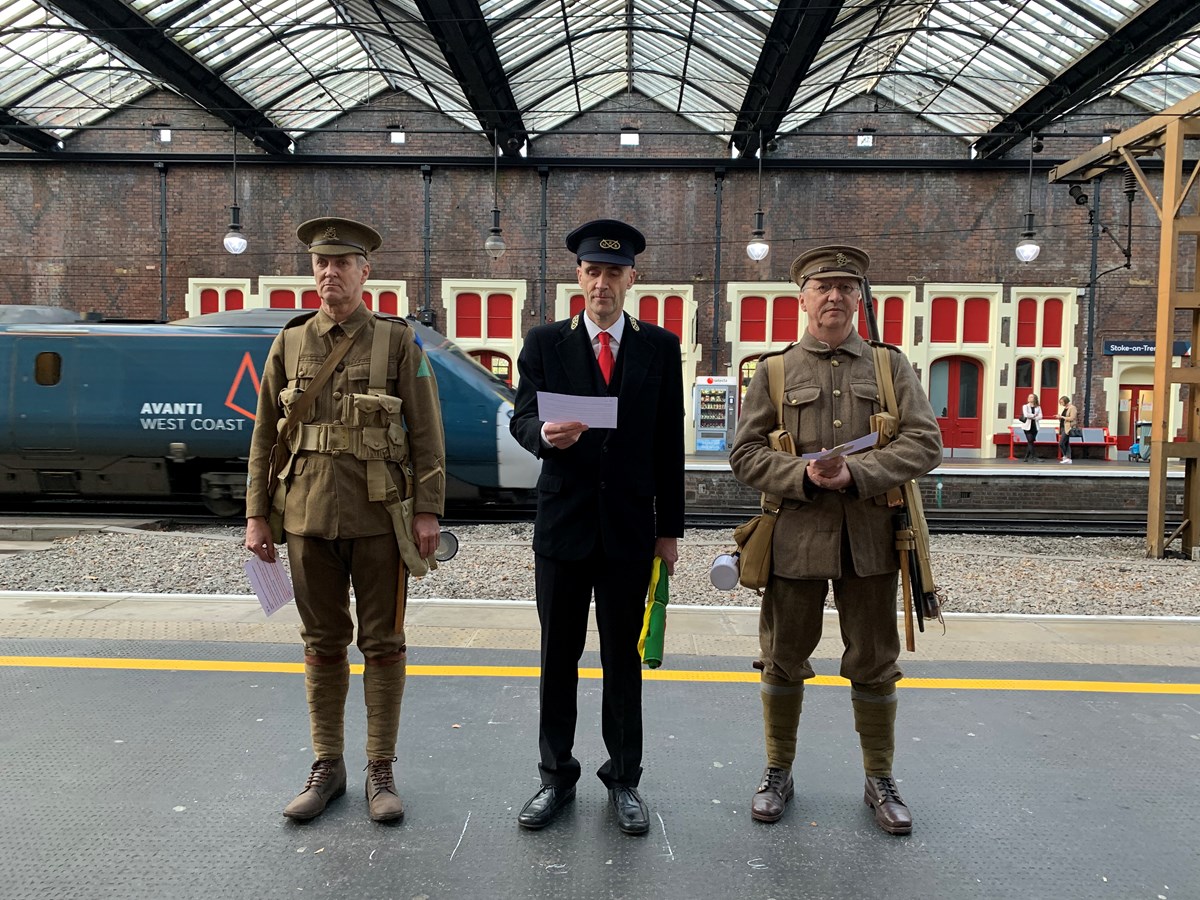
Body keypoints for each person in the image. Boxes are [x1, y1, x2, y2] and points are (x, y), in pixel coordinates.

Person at [728, 245, 942, 836]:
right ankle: (777, 772)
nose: (834, 297)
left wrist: (857, 474)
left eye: (846, 287)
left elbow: (925, 443)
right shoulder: (773, 370)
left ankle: (880, 777)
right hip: (794, 539)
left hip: (872, 541)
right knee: (783, 658)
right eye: (823, 286)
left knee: (875, 662)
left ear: (859, 300)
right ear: (801, 297)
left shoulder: (889, 367)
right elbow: (743, 456)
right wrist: (800, 475)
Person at [244, 217, 446, 823]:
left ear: (366, 272)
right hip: (305, 519)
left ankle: (379, 769)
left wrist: (429, 510)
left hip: (381, 517)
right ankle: (327, 765)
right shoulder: (289, 342)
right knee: (321, 643)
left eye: (341, 263)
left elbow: (427, 434)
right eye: (319, 263)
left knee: (382, 643)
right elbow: (264, 435)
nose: (329, 273)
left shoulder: (397, 342)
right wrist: (257, 516)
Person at [509, 218, 685, 835]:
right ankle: (555, 776)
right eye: (592, 271)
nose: (602, 283)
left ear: (632, 278)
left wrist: (671, 530)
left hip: (631, 529)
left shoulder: (659, 348)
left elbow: (670, 445)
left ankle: (625, 779)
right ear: (578, 276)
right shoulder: (544, 342)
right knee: (558, 657)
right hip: (563, 526)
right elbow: (522, 420)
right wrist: (545, 439)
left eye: (614, 272)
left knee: (623, 660)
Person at [1020, 393, 1043, 462]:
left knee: (1031, 442)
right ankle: (1034, 457)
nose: (1030, 398)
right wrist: (1034, 415)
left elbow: (1041, 416)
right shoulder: (1025, 406)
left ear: (1035, 399)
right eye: (1029, 397)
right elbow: (1026, 415)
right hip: (1027, 427)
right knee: (1030, 441)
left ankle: (1026, 457)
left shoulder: (1038, 407)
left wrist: (1034, 417)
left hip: (1035, 427)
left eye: (1031, 397)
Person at [1058, 395, 1078, 463]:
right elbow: (1064, 418)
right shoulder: (1065, 408)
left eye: (1062, 402)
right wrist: (1059, 418)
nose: (1061, 404)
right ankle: (1068, 458)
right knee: (1066, 443)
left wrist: (1062, 417)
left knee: (1061, 443)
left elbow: (1072, 418)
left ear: (1065, 401)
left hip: (1068, 427)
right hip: (1063, 427)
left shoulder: (1072, 408)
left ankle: (1066, 456)